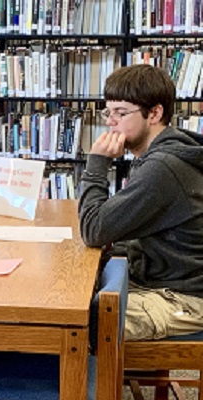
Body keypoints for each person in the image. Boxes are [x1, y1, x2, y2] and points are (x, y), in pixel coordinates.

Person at [78, 64, 203, 341]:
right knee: (75, 294)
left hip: (184, 299)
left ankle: (91, 384)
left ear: (155, 113)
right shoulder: (162, 153)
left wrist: (97, 163)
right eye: (108, 112)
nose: (110, 122)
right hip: (162, 282)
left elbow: (93, 229)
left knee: (80, 324)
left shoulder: (163, 166)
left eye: (121, 113)